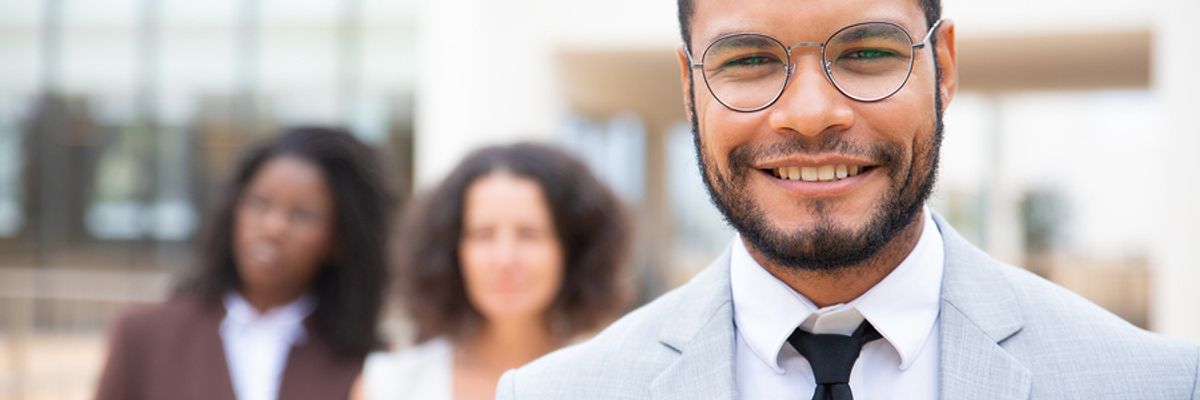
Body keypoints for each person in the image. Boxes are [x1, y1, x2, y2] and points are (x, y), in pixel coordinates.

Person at [497, 0, 1200, 399]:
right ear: (689, 90)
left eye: (866, 53)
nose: (809, 113)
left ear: (943, 67)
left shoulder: (1154, 386)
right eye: (749, 59)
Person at [95, 127, 394, 400]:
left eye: (302, 215)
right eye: (259, 203)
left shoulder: (367, 362)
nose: (273, 228)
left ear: (338, 240)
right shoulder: (144, 336)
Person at [353, 142, 631, 400]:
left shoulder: (612, 386)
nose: (505, 258)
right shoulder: (390, 386)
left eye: (529, 234)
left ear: (573, 249)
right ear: (451, 250)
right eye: (483, 234)